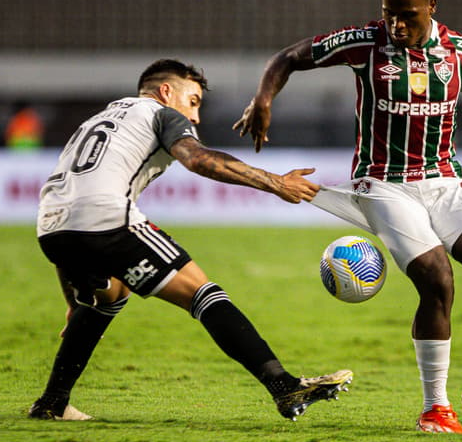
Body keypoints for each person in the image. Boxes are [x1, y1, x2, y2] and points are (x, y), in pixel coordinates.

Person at [233, 0, 462, 434]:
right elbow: (287, 57)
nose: (397, 24)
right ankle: (435, 408)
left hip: (444, 179)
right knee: (437, 278)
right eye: (390, 12)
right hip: (382, 183)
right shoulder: (366, 43)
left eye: (408, 15)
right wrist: (264, 98)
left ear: (431, 7)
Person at [28, 58, 352, 422]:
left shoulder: (100, 118)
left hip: (50, 226)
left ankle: (52, 402)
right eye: (193, 101)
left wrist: (72, 299)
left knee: (112, 294)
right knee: (202, 293)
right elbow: (198, 160)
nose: (195, 117)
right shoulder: (161, 114)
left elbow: (71, 205)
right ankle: (283, 386)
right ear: (166, 91)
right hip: (105, 219)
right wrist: (275, 183)